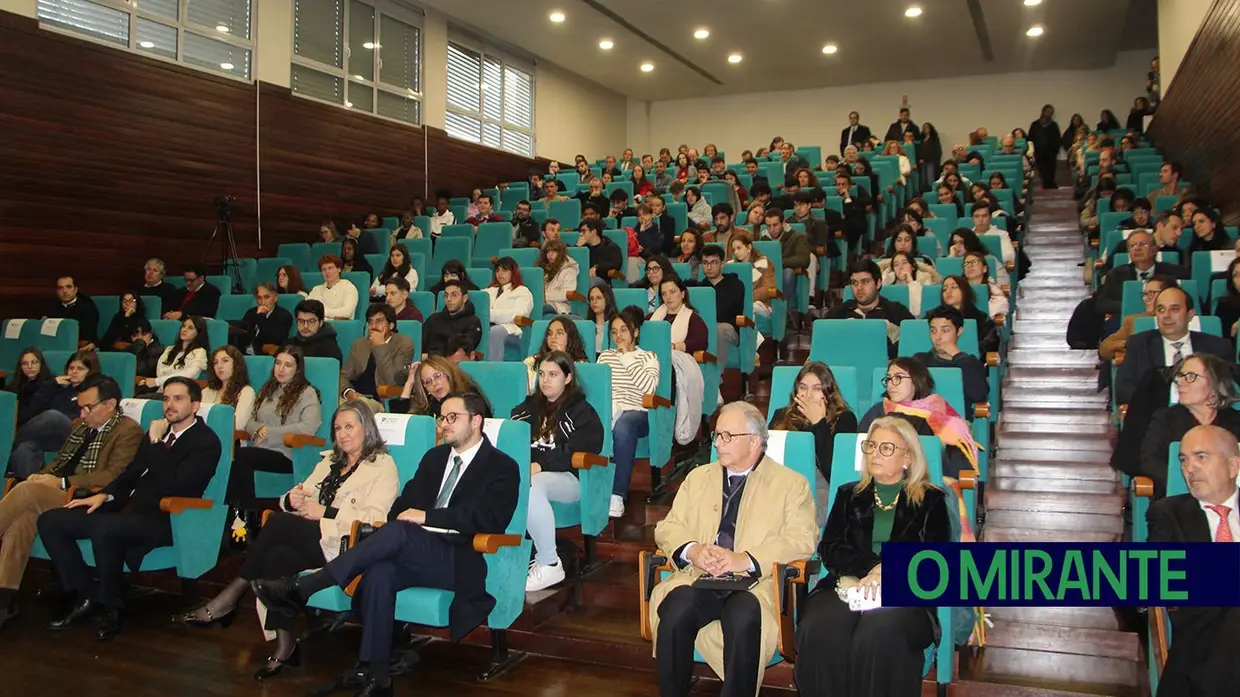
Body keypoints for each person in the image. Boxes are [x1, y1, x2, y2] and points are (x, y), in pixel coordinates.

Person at [251, 392, 519, 697]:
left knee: (399, 532)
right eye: (442, 418)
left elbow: (490, 519)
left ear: (476, 421)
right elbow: (401, 504)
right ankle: (376, 674)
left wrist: (426, 516)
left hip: (457, 556)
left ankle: (307, 586)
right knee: (380, 573)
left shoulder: (501, 466)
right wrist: (408, 516)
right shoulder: (435, 458)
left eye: (452, 417)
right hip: (414, 549)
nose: (444, 424)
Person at [178, 399, 399, 680]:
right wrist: (291, 499)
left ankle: (232, 594)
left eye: (349, 427)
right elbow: (296, 495)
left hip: (348, 545)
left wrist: (325, 512)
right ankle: (285, 645)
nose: (342, 434)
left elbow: (374, 519)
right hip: (312, 539)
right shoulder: (330, 462)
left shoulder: (383, 466)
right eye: (337, 428)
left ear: (366, 428)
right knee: (277, 555)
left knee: (279, 524)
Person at [650, 401, 817, 697]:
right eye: (717, 435)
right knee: (676, 608)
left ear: (754, 441)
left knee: (743, 614)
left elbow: (802, 539)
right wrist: (693, 551)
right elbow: (668, 526)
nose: (718, 443)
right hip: (700, 578)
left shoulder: (791, 485)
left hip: (754, 584)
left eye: (728, 436)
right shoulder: (698, 478)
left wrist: (745, 560)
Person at [40, 377, 223, 639]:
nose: (169, 405)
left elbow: (177, 486)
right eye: (166, 398)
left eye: (178, 399)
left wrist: (157, 444)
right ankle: (88, 595)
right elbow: (131, 473)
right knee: (52, 521)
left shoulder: (205, 442)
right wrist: (105, 496)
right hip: (130, 511)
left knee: (106, 527)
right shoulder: (158, 432)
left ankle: (113, 608)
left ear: (195, 405)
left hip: (169, 518)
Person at [794, 417, 952, 697]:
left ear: (908, 458)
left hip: (906, 593)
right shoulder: (849, 494)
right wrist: (872, 570)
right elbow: (830, 547)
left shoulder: (931, 500)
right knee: (818, 626)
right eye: (871, 446)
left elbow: (935, 559)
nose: (875, 454)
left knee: (877, 633)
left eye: (886, 448)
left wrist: (889, 571)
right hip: (849, 585)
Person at [0, 375, 141, 628]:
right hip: (61, 492)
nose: (83, 414)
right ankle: (5, 599)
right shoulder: (80, 428)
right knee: (25, 518)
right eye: (80, 407)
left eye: (88, 407)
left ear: (110, 404)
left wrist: (61, 482)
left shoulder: (128, 430)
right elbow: (59, 462)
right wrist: (43, 476)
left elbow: (112, 475)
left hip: (88, 498)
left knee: (26, 491)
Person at [1147, 425, 1240, 697]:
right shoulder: (1168, 513)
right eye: (1184, 460)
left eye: (1201, 457)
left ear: (1233, 466)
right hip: (1201, 630)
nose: (1190, 469)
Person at [511, 352, 604, 591]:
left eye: (553, 374)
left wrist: (540, 464)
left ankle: (549, 562)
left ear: (568, 377)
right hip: (532, 473)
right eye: (542, 374)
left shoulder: (581, 411)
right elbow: (512, 437)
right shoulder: (527, 408)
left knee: (532, 485)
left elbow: (578, 450)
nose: (545, 380)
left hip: (570, 479)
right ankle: (514, 557)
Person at [227, 346, 323, 520]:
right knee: (232, 457)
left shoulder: (307, 393)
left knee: (240, 456)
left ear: (297, 369)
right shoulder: (268, 389)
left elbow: (308, 427)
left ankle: (247, 518)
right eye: (278, 363)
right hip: (262, 451)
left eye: (288, 365)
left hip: (289, 454)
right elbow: (250, 421)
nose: (281, 369)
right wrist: (258, 430)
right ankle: (236, 518)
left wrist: (269, 433)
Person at [1132, 355, 1240, 498]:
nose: (1180, 382)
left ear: (1215, 384)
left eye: (1191, 376)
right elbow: (1150, 462)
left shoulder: (1236, 421)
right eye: (1180, 376)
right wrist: (1186, 486)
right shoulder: (1165, 418)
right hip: (1178, 499)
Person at [859, 358, 980, 481]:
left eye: (898, 377)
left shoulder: (942, 417)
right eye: (889, 378)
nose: (890, 384)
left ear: (916, 380)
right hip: (880, 479)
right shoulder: (879, 411)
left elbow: (959, 467)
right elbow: (860, 450)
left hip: (930, 481)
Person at [769, 362, 858, 525]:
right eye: (803, 388)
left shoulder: (844, 419)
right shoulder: (781, 416)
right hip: (782, 481)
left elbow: (833, 472)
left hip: (818, 484)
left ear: (828, 393)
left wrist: (818, 423)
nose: (808, 395)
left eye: (817, 389)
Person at [1114, 286, 1232, 405]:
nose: (1166, 315)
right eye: (1161, 309)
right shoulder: (1139, 344)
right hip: (1156, 413)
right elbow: (1122, 391)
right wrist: (1168, 395)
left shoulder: (1217, 347)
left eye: (1175, 309)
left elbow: (1228, 389)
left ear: (1190, 315)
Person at [597, 307, 660, 519]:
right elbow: (598, 388)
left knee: (623, 425)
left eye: (623, 330)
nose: (618, 336)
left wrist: (626, 356)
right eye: (614, 332)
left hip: (637, 412)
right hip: (610, 409)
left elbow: (648, 388)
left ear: (635, 332)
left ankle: (617, 494)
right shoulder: (605, 356)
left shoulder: (648, 357)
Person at [8, 349, 101, 478]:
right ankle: (29, 486)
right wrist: (52, 384)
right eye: (71, 368)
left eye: (80, 368)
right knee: (25, 448)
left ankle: (7, 447)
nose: (74, 371)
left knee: (53, 416)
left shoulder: (93, 391)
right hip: (54, 437)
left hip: (77, 433)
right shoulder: (59, 388)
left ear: (90, 371)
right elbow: (34, 410)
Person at [651, 277, 708, 445]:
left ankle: (669, 427)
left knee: (669, 369)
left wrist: (676, 346)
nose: (668, 297)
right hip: (653, 362)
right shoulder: (653, 318)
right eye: (664, 294)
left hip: (678, 364)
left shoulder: (693, 318)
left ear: (682, 294)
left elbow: (701, 342)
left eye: (672, 292)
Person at [827, 259, 916, 357]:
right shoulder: (838, 314)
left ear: (878, 283)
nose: (859, 287)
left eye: (865, 281)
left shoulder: (896, 311)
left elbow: (913, 342)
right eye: (854, 282)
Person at [1093, 230, 1189, 317]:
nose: (1137, 248)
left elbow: (1188, 301)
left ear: (1154, 249)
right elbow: (1102, 303)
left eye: (1143, 244)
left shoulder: (1175, 273)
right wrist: (1131, 306)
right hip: (1127, 320)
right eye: (1133, 246)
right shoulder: (1115, 275)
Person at [339, 304, 415, 413]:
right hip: (354, 397)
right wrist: (348, 392)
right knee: (331, 404)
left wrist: (380, 346)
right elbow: (344, 376)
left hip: (380, 400)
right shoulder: (359, 344)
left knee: (356, 407)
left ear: (391, 325)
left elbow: (393, 381)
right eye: (370, 322)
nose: (373, 326)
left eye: (379, 321)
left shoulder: (404, 344)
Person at [915, 305, 989, 404]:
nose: (938, 337)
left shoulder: (970, 363)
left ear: (959, 331)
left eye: (945, 330)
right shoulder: (920, 361)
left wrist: (957, 355)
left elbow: (979, 395)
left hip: (958, 413)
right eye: (933, 331)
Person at [1100, 274, 1176, 362]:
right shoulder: (1133, 321)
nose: (1145, 299)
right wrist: (1128, 344)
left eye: (1151, 294)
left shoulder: (1183, 320)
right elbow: (1104, 348)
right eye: (1145, 294)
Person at [398, 356, 486, 418]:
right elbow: (400, 423)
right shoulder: (430, 404)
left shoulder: (468, 397)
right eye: (428, 382)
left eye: (437, 376)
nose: (434, 383)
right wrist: (409, 384)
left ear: (448, 374)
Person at [138, 316, 209, 392]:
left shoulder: (200, 352)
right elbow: (160, 371)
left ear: (198, 333)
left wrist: (158, 381)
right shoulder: (169, 349)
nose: (185, 329)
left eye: (190, 328)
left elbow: (189, 374)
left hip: (180, 391)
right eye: (183, 326)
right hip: (161, 389)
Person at [484, 258, 535, 361]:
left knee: (495, 332)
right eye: (498, 270)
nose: (500, 273)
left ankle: (493, 367)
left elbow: (520, 314)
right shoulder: (488, 291)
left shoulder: (522, 291)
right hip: (486, 325)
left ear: (513, 272)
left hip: (510, 329)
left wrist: (491, 315)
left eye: (504, 270)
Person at [522, 317, 589, 391]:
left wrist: (561, 357)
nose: (553, 337)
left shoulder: (581, 365)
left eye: (559, 333)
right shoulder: (531, 362)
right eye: (550, 333)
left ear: (570, 338)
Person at [939, 275, 1000, 354]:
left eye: (953, 287)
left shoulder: (981, 318)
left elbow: (991, 344)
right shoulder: (933, 317)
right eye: (944, 289)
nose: (948, 291)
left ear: (964, 291)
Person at [422, 279, 482, 358]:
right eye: (446, 295)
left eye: (454, 295)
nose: (449, 299)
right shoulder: (433, 319)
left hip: (452, 363)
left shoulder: (473, 322)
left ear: (464, 298)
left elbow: (462, 352)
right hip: (427, 362)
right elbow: (420, 343)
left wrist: (430, 356)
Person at [231, 282, 293, 356]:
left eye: (266, 297)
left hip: (266, 355)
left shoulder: (284, 315)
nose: (262, 302)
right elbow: (242, 333)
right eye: (259, 298)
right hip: (245, 353)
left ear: (275, 298)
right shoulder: (251, 312)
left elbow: (273, 338)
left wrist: (261, 316)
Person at [203, 346, 256, 431]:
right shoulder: (207, 391)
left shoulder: (246, 392)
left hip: (227, 437)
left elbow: (238, 424)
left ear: (237, 365)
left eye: (225, 361)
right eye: (215, 362)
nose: (219, 366)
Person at [729, 233, 775, 320]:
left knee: (749, 308)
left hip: (761, 304)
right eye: (734, 250)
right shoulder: (731, 265)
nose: (736, 252)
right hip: (738, 303)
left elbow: (768, 289)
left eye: (739, 248)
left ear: (749, 247)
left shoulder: (763, 262)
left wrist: (745, 298)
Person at [5, 348, 52, 427]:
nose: (29, 366)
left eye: (34, 362)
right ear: (20, 367)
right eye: (25, 363)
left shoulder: (50, 384)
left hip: (43, 425)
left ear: (41, 364)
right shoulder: (14, 386)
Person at [47, 275, 100, 345]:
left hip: (81, 345)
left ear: (75, 290)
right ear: (56, 291)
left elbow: (89, 336)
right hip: (57, 344)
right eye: (60, 288)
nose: (65, 291)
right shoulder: (51, 307)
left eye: (68, 287)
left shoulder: (87, 307)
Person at [308, 255, 359, 321]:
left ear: (339, 269)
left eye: (330, 268)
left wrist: (321, 312)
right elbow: (307, 310)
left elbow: (347, 312)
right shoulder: (316, 289)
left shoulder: (348, 287)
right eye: (324, 269)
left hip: (340, 325)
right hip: (317, 325)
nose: (327, 272)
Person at [962, 251, 1011, 318]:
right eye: (966, 263)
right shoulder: (958, 288)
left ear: (984, 269)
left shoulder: (993, 290)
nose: (970, 265)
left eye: (974, 262)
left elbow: (1002, 306)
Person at [538, 239, 579, 317]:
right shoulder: (545, 270)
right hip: (545, 305)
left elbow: (567, 294)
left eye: (554, 251)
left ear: (560, 253)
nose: (550, 254)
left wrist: (545, 296)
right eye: (548, 251)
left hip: (559, 309)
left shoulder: (569, 270)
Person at [578, 218, 622, 288]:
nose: (581, 234)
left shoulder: (611, 247)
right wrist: (577, 248)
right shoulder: (582, 248)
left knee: (590, 281)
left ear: (594, 232)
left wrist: (597, 267)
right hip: (584, 281)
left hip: (603, 282)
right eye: (580, 231)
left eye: (583, 231)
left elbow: (616, 264)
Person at [1028, 104, 1062, 189]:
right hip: (1038, 151)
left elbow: (1058, 138)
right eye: (1047, 112)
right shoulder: (1035, 124)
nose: (1048, 114)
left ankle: (1050, 184)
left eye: (1051, 112)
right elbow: (1030, 138)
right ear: (1043, 112)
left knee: (1051, 169)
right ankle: (1047, 183)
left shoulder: (1053, 125)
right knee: (1042, 169)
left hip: (1051, 152)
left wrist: (1055, 149)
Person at [586, 283, 618, 355]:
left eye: (598, 298)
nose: (594, 302)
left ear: (608, 299)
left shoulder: (616, 325)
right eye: (591, 299)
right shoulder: (587, 326)